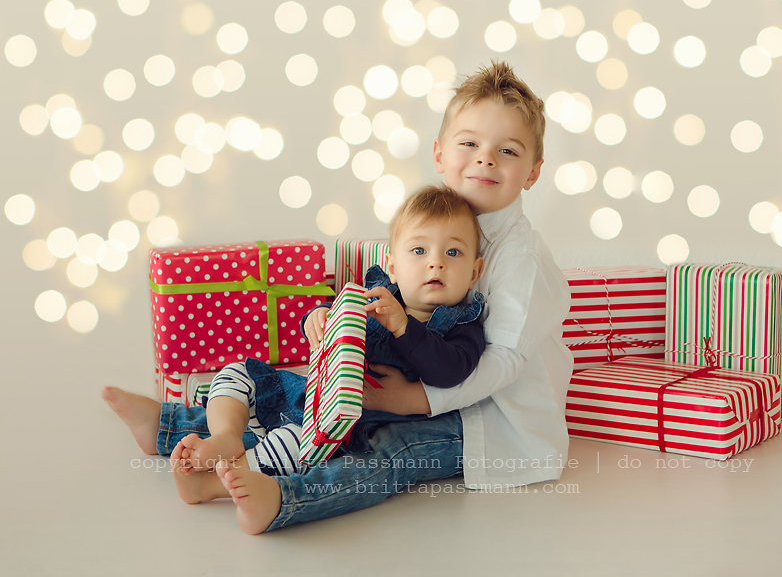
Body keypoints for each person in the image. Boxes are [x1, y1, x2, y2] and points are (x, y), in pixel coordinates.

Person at [102, 60, 574, 535]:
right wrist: (330, 323)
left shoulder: (520, 258)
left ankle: (281, 497)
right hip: (419, 388)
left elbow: (505, 361)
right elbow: (381, 293)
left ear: (532, 173)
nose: (485, 158)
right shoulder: (431, 222)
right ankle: (170, 426)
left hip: (488, 420)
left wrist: (413, 400)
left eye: (506, 151)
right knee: (294, 402)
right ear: (439, 153)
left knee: (385, 449)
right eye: (469, 143)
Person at [170, 185, 486, 479]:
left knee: (294, 446)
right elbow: (338, 315)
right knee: (238, 373)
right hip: (309, 393)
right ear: (392, 266)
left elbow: (450, 372)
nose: (435, 263)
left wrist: (404, 327)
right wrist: (318, 316)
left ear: (474, 272)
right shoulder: (376, 293)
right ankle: (226, 436)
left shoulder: (464, 323)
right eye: (419, 251)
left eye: (453, 253)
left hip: (349, 426)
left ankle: (223, 478)